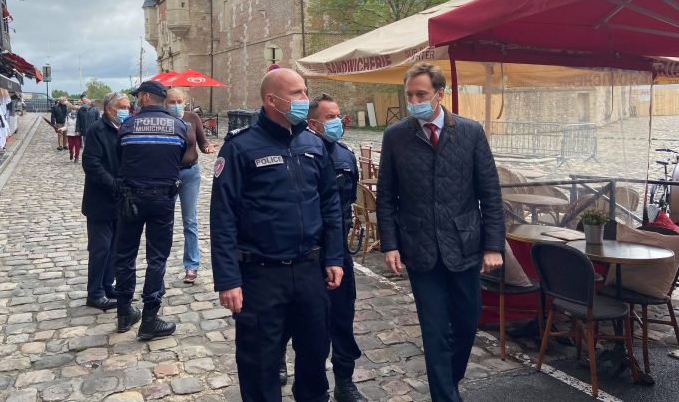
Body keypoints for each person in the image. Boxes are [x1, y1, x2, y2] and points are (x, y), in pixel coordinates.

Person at [211, 67, 344, 402]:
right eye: (298, 93)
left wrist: (334, 257)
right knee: (260, 364)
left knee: (314, 356)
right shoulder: (239, 148)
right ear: (271, 99)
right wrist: (228, 279)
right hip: (260, 274)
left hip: (309, 269)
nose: (305, 100)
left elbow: (330, 206)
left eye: (305, 91)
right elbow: (222, 216)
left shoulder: (313, 144)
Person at [376, 63, 504, 402]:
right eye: (409, 95)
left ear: (440, 94)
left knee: (466, 322)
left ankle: (450, 380)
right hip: (420, 249)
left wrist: (494, 246)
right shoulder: (396, 136)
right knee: (434, 332)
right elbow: (386, 196)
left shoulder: (470, 132)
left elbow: (489, 193)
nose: (414, 100)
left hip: (464, 246)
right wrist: (389, 244)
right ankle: (446, 396)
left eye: (421, 94)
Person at [278, 94, 365, 401]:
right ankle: (280, 359)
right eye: (330, 117)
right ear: (312, 123)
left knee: (342, 317)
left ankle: (344, 378)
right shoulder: (295, 152)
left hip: (337, 249)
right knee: (293, 316)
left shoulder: (344, 155)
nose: (338, 122)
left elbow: (347, 204)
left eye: (339, 116)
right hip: (304, 252)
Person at [115, 80, 188, 340]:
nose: (135, 100)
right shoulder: (179, 127)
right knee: (157, 258)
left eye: (137, 96)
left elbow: (118, 159)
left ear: (145, 97)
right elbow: (180, 158)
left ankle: (124, 312)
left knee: (125, 254)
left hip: (130, 199)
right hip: (162, 200)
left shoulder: (127, 125)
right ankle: (150, 317)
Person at [81, 92, 131, 311]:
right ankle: (95, 292)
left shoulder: (125, 129)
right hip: (100, 199)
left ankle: (108, 285)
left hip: (120, 199)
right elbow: (91, 164)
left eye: (129, 107)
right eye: (123, 107)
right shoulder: (96, 130)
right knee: (100, 248)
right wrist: (113, 183)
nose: (127, 111)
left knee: (114, 247)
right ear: (110, 109)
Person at [164, 88, 216, 284]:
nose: (176, 105)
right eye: (172, 101)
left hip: (190, 174)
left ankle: (192, 265)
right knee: (164, 220)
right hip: (167, 175)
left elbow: (202, 142)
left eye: (179, 101)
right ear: (164, 103)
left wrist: (208, 148)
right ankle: (160, 263)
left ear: (185, 102)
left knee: (190, 221)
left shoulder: (192, 117)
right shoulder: (163, 119)